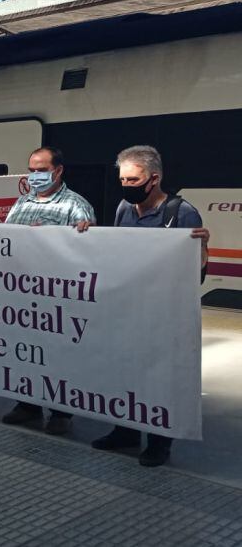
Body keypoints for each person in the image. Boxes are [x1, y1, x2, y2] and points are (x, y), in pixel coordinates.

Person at [0, 147, 95, 435]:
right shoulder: (23, 202)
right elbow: (10, 239)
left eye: (41, 170)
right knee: (26, 351)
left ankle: (61, 410)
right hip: (22, 295)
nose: (35, 176)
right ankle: (28, 404)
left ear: (58, 171)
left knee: (58, 354)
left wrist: (81, 234)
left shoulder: (75, 205)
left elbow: (85, 251)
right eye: (31, 170)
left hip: (56, 296)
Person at [90, 145, 209, 467]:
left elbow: (195, 273)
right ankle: (125, 430)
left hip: (163, 314)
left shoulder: (182, 213)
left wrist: (202, 250)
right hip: (129, 309)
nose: (126, 185)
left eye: (133, 179)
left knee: (158, 376)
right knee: (125, 371)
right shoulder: (123, 210)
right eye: (123, 179)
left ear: (153, 178)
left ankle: (159, 441)